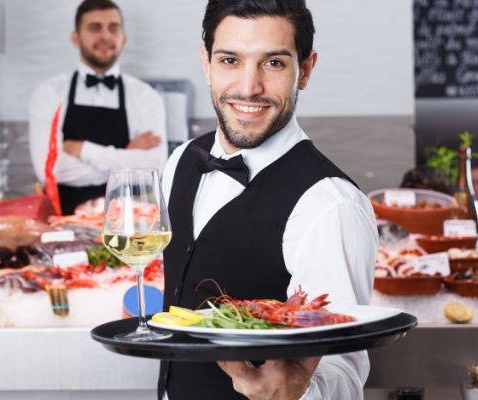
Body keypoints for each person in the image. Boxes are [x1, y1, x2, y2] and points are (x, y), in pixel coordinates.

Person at [159, 1, 378, 399]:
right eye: (229, 60)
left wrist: (297, 394)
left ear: (305, 70)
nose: (248, 87)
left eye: (273, 64)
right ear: (206, 63)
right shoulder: (181, 160)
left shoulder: (331, 204)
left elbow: (345, 369)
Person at [29, 0, 168, 215]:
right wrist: (126, 160)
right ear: (76, 37)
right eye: (95, 28)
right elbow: (50, 171)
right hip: (62, 223)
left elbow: (155, 167)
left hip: (129, 224)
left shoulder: (145, 96)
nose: (105, 36)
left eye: (113, 28)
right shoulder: (48, 94)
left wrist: (82, 149)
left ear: (124, 38)